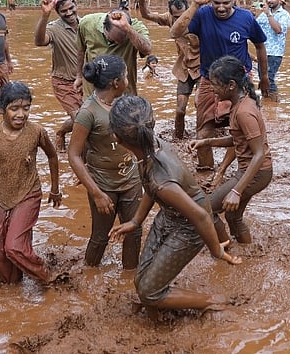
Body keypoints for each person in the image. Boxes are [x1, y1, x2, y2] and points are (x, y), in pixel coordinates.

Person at [108, 96, 241, 314]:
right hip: (171, 215)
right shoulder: (151, 145)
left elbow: (200, 215)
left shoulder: (161, 181)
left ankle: (213, 301)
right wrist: (135, 221)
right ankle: (159, 299)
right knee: (141, 281)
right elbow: (151, 188)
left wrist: (215, 250)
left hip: (191, 227)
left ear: (116, 138)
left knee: (149, 293)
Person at [0, 82, 61, 284]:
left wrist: (55, 190)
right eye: (14, 108)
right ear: (2, 109)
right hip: (2, 196)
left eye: (26, 108)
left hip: (29, 193)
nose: (21, 114)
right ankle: (15, 291)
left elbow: (53, 157)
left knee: (14, 247)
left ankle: (48, 277)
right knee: (1, 258)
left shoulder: (36, 132)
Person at [171, 0, 268, 170]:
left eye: (226, 3)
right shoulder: (203, 14)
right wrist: (196, 5)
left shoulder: (246, 18)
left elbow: (260, 46)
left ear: (234, 0)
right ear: (211, 0)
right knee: (203, 132)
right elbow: (175, 32)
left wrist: (264, 77)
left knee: (245, 130)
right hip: (210, 81)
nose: (221, 7)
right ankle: (206, 172)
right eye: (216, 2)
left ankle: (244, 170)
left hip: (240, 80)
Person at [68, 55, 142, 269]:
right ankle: (89, 273)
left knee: (134, 232)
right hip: (103, 185)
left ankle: (129, 277)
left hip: (131, 180)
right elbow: (74, 155)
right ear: (116, 83)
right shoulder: (88, 112)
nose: (128, 80)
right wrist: (96, 193)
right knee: (100, 236)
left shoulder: (125, 103)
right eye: (126, 76)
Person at [189, 56, 273, 245]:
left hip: (256, 172)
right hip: (253, 171)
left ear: (231, 85)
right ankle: (245, 252)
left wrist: (236, 190)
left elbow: (259, 154)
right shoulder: (241, 104)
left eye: (216, 85)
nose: (213, 90)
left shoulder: (244, 112)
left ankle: (225, 252)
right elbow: (238, 140)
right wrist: (206, 142)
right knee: (233, 217)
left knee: (205, 210)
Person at [134, 0, 199, 139]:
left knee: (200, 104)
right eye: (176, 17)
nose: (180, 20)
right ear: (171, 15)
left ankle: (204, 138)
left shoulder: (200, 18)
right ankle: (178, 139)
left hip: (203, 67)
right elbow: (147, 15)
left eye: (183, 15)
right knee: (180, 110)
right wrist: (142, 1)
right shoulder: (169, 19)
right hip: (183, 68)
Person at [35, 0, 82, 151]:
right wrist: (44, 16)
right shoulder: (54, 28)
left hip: (85, 81)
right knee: (81, 119)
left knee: (88, 117)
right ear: (57, 12)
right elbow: (40, 41)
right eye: (63, 11)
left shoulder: (86, 25)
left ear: (76, 5)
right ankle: (81, 156)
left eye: (71, 8)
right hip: (63, 82)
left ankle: (61, 131)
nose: (69, 13)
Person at [74, 7, 152, 98]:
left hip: (124, 96)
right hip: (93, 93)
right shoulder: (87, 24)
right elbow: (80, 51)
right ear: (104, 27)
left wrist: (129, 30)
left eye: (122, 41)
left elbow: (147, 50)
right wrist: (79, 76)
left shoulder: (135, 28)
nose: (118, 43)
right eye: (113, 40)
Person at [255, 0, 290, 101]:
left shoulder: (284, 14)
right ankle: (267, 102)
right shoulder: (263, 14)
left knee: (269, 78)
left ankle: (274, 102)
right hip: (262, 51)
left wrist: (269, 14)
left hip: (274, 53)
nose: (269, 0)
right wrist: (251, 15)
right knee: (262, 79)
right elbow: (254, 27)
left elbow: (278, 29)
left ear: (280, 0)